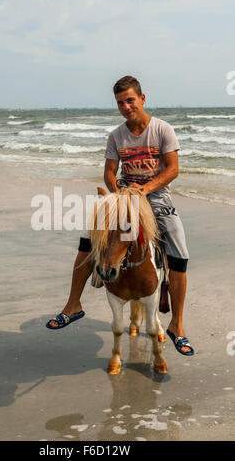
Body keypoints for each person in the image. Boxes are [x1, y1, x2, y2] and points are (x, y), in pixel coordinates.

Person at [46, 75, 194, 356]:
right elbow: (109, 173)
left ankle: (177, 324)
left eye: (130, 100)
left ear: (142, 98)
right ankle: (74, 305)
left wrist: (145, 190)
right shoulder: (116, 136)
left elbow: (172, 170)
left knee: (179, 253)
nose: (126, 107)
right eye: (120, 103)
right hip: (124, 196)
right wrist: (118, 195)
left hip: (157, 198)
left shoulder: (163, 130)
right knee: (89, 239)